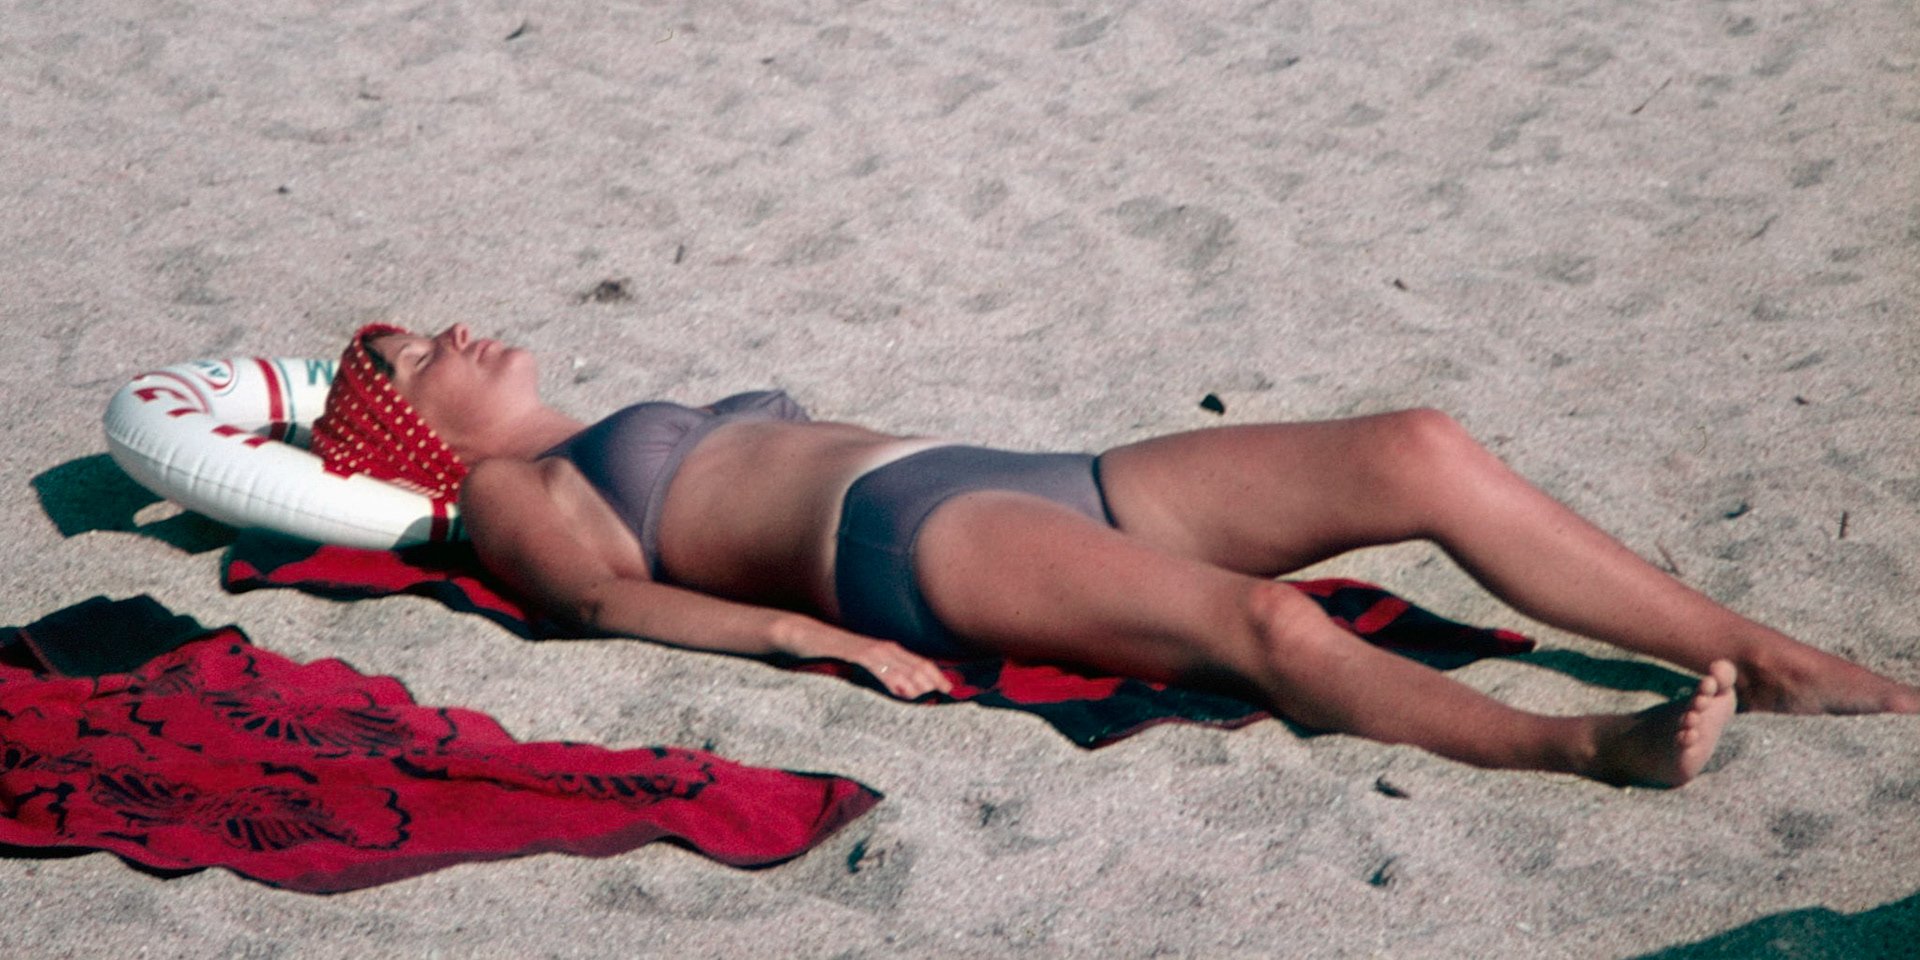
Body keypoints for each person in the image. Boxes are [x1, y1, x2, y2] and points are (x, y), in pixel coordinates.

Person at [310, 322, 1920, 789]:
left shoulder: (587, 423)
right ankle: (1581, 747)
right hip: (912, 542)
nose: (449, 332)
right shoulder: (512, 486)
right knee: (1263, 627)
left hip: (1023, 477)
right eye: (407, 356)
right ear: (412, 435)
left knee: (1415, 447)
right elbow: (600, 602)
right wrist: (809, 640)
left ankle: (1770, 658)